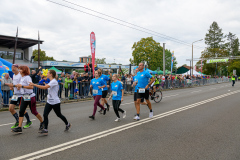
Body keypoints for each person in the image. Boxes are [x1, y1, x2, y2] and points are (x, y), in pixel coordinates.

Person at [29, 70, 71, 135]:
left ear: (51, 74)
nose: (46, 74)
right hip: (49, 101)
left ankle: (67, 124)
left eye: (48, 73)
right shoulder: (51, 81)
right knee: (45, 114)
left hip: (55, 102)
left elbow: (45, 87)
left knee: (59, 115)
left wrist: (34, 84)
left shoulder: (54, 81)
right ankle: (45, 129)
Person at [11, 66, 44, 134]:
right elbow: (21, 86)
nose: (19, 70)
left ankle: (42, 122)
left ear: (24, 70)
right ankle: (19, 127)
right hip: (24, 96)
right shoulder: (22, 78)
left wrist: (22, 86)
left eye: (21, 69)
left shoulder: (27, 77)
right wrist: (18, 86)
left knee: (34, 111)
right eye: (19, 69)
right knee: (21, 111)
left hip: (30, 96)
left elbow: (31, 86)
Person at [5, 64, 32, 129]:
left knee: (22, 109)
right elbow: (15, 85)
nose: (13, 69)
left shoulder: (21, 75)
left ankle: (28, 121)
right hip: (16, 94)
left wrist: (18, 87)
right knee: (11, 108)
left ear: (17, 68)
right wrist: (12, 87)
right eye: (12, 68)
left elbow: (21, 85)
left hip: (22, 95)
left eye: (14, 68)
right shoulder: (14, 75)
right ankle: (17, 121)